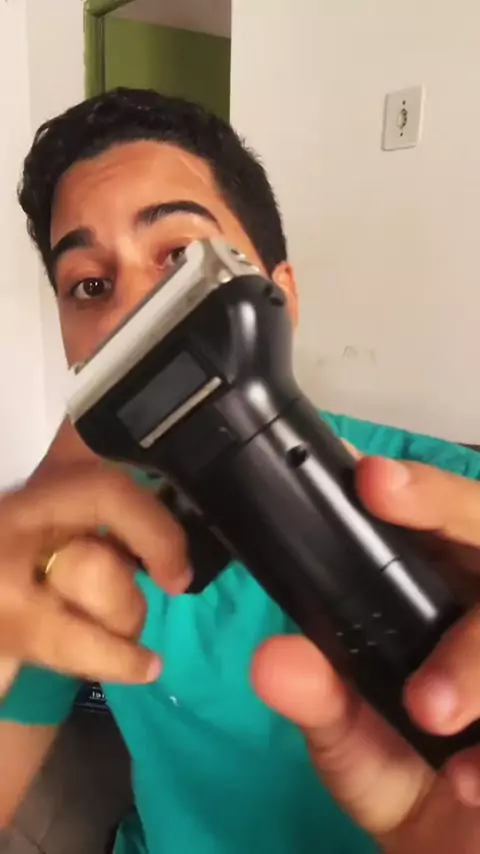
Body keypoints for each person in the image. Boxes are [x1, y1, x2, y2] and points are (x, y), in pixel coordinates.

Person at [1, 87, 480, 853]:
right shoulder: (76, 553)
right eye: (90, 285)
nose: (131, 312)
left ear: (277, 296)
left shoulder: (455, 503)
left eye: (178, 256)